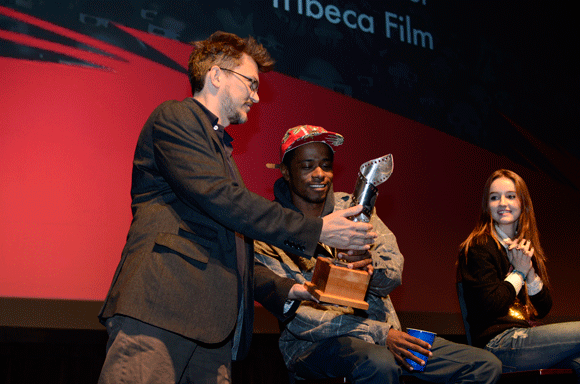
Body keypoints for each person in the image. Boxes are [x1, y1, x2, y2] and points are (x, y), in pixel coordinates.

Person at [97, 32, 377, 384]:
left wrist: (287, 289)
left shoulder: (219, 152)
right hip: (161, 310)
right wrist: (318, 230)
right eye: (250, 83)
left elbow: (231, 247)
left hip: (212, 331)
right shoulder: (175, 117)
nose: (257, 97)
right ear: (216, 75)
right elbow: (226, 201)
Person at [254, 125, 502, 384]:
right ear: (286, 172)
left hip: (385, 335)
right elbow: (300, 317)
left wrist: (368, 268)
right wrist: (381, 334)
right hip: (314, 344)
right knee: (379, 363)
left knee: (483, 366)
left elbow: (394, 274)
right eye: (307, 166)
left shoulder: (355, 206)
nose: (320, 174)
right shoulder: (273, 226)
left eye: (326, 165)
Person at [457, 169, 580, 380]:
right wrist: (519, 273)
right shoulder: (479, 245)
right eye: (494, 197)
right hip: (498, 344)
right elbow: (490, 305)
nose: (502, 203)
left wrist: (530, 273)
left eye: (511, 196)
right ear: (487, 206)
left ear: (523, 203)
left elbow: (543, 309)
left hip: (523, 339)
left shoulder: (522, 247)